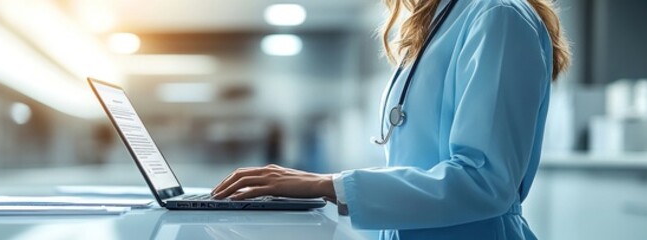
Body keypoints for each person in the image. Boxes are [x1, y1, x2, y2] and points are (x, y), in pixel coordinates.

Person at [211, 0, 571, 239]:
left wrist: (328, 184)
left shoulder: (499, 16)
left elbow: (485, 181)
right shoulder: (442, 18)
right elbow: (422, 163)